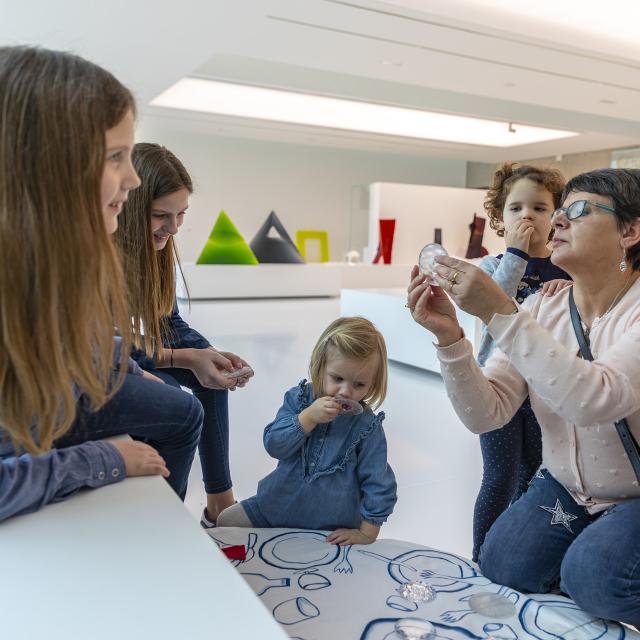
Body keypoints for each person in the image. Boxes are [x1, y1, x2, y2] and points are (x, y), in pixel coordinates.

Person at [407, 168, 640, 626]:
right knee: (502, 565)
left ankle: (597, 556)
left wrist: (499, 310)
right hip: (566, 489)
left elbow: (594, 399)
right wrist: (451, 339)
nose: (556, 222)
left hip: (634, 493)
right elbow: (486, 413)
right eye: (560, 213)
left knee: (594, 579)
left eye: (578, 210)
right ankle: (596, 545)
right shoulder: (543, 305)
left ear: (630, 231)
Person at [0, 46, 203, 522]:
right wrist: (104, 460)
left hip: (49, 412)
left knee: (185, 406)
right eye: (115, 157)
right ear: (46, 168)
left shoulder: (45, 264)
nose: (131, 179)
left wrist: (123, 365)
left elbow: (74, 342)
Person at [114, 142, 253, 527]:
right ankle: (167, 523)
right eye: (161, 215)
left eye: (181, 215)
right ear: (127, 207)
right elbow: (111, 351)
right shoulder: (101, 258)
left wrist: (209, 354)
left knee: (207, 377)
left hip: (124, 357)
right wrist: (187, 359)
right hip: (105, 366)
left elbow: (169, 324)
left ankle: (220, 506)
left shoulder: (156, 251)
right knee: (178, 398)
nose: (173, 228)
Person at [217, 317, 397, 545]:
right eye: (337, 378)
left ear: (373, 383)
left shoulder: (367, 427)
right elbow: (273, 444)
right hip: (275, 507)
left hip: (331, 528)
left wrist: (366, 533)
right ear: (320, 367)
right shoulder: (299, 398)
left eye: (359, 385)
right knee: (224, 522)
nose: (346, 391)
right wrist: (307, 418)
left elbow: (379, 483)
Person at [472, 163, 571, 561]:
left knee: (536, 478)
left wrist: (572, 286)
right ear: (500, 217)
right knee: (499, 478)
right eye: (515, 209)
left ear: (557, 216)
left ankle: (520, 554)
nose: (527, 216)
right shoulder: (493, 266)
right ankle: (481, 556)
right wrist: (515, 253)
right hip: (497, 387)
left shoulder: (569, 265)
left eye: (539, 208)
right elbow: (494, 301)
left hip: (547, 389)